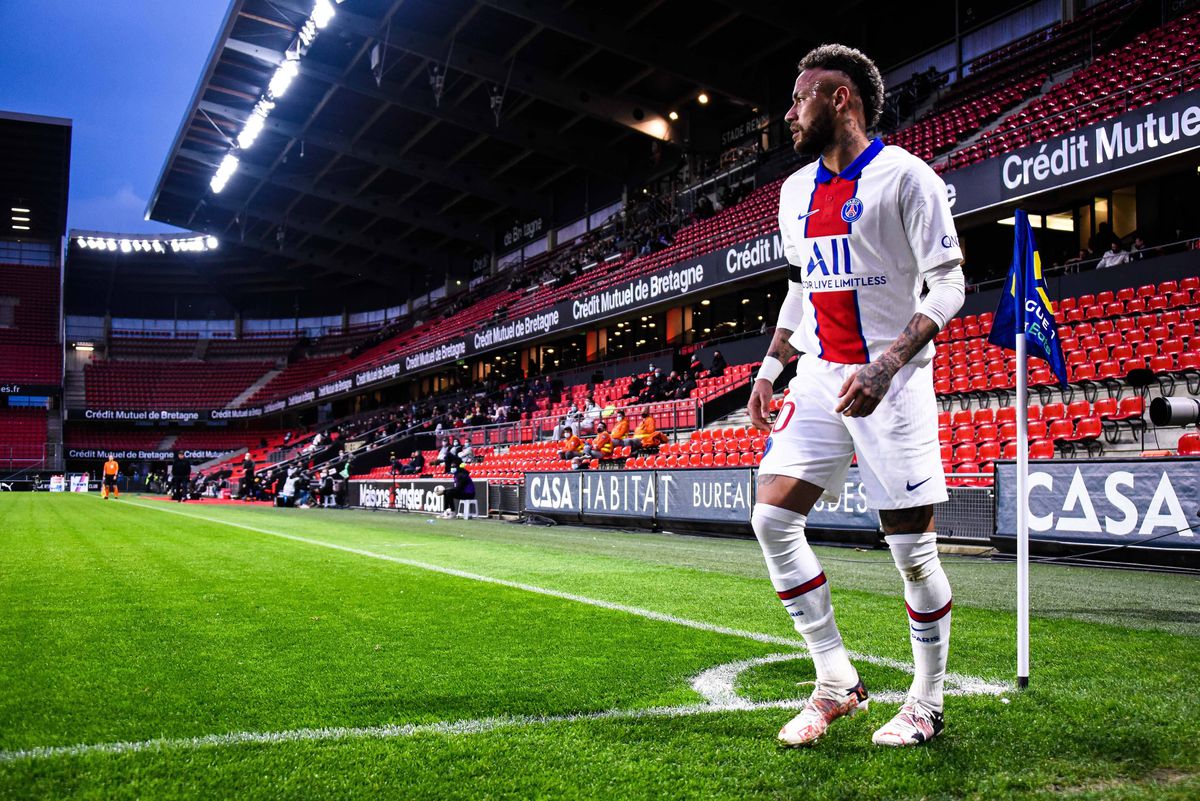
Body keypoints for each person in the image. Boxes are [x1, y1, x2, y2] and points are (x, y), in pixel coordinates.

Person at [746, 44, 965, 749]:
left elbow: (950, 282)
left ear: (841, 99)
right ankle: (837, 680)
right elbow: (802, 285)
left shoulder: (908, 178)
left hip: (892, 383)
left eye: (800, 97)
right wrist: (771, 367)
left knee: (913, 553)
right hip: (819, 374)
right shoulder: (792, 192)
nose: (788, 113)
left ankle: (927, 702)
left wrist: (889, 361)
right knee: (772, 520)